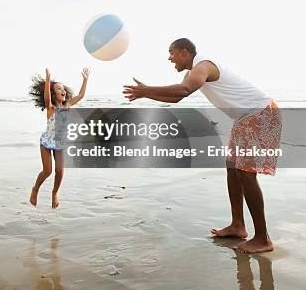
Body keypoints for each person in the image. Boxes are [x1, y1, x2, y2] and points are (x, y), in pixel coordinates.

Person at [123, 38, 281, 254]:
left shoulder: (203, 66)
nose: (169, 58)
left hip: (259, 113)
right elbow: (178, 97)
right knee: (232, 167)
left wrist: (146, 89)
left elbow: (183, 90)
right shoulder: (193, 72)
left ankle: (263, 238)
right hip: (245, 117)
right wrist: (145, 93)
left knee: (246, 173)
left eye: (172, 52)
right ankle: (238, 225)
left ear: (184, 52)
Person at [29, 67, 90, 208]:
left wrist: (85, 80)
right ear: (53, 93)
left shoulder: (67, 105)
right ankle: (35, 189)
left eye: (63, 88)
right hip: (45, 143)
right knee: (48, 171)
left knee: (60, 171)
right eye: (58, 88)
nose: (62, 90)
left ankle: (54, 193)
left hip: (60, 144)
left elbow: (80, 95)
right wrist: (48, 80)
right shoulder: (50, 107)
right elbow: (46, 98)